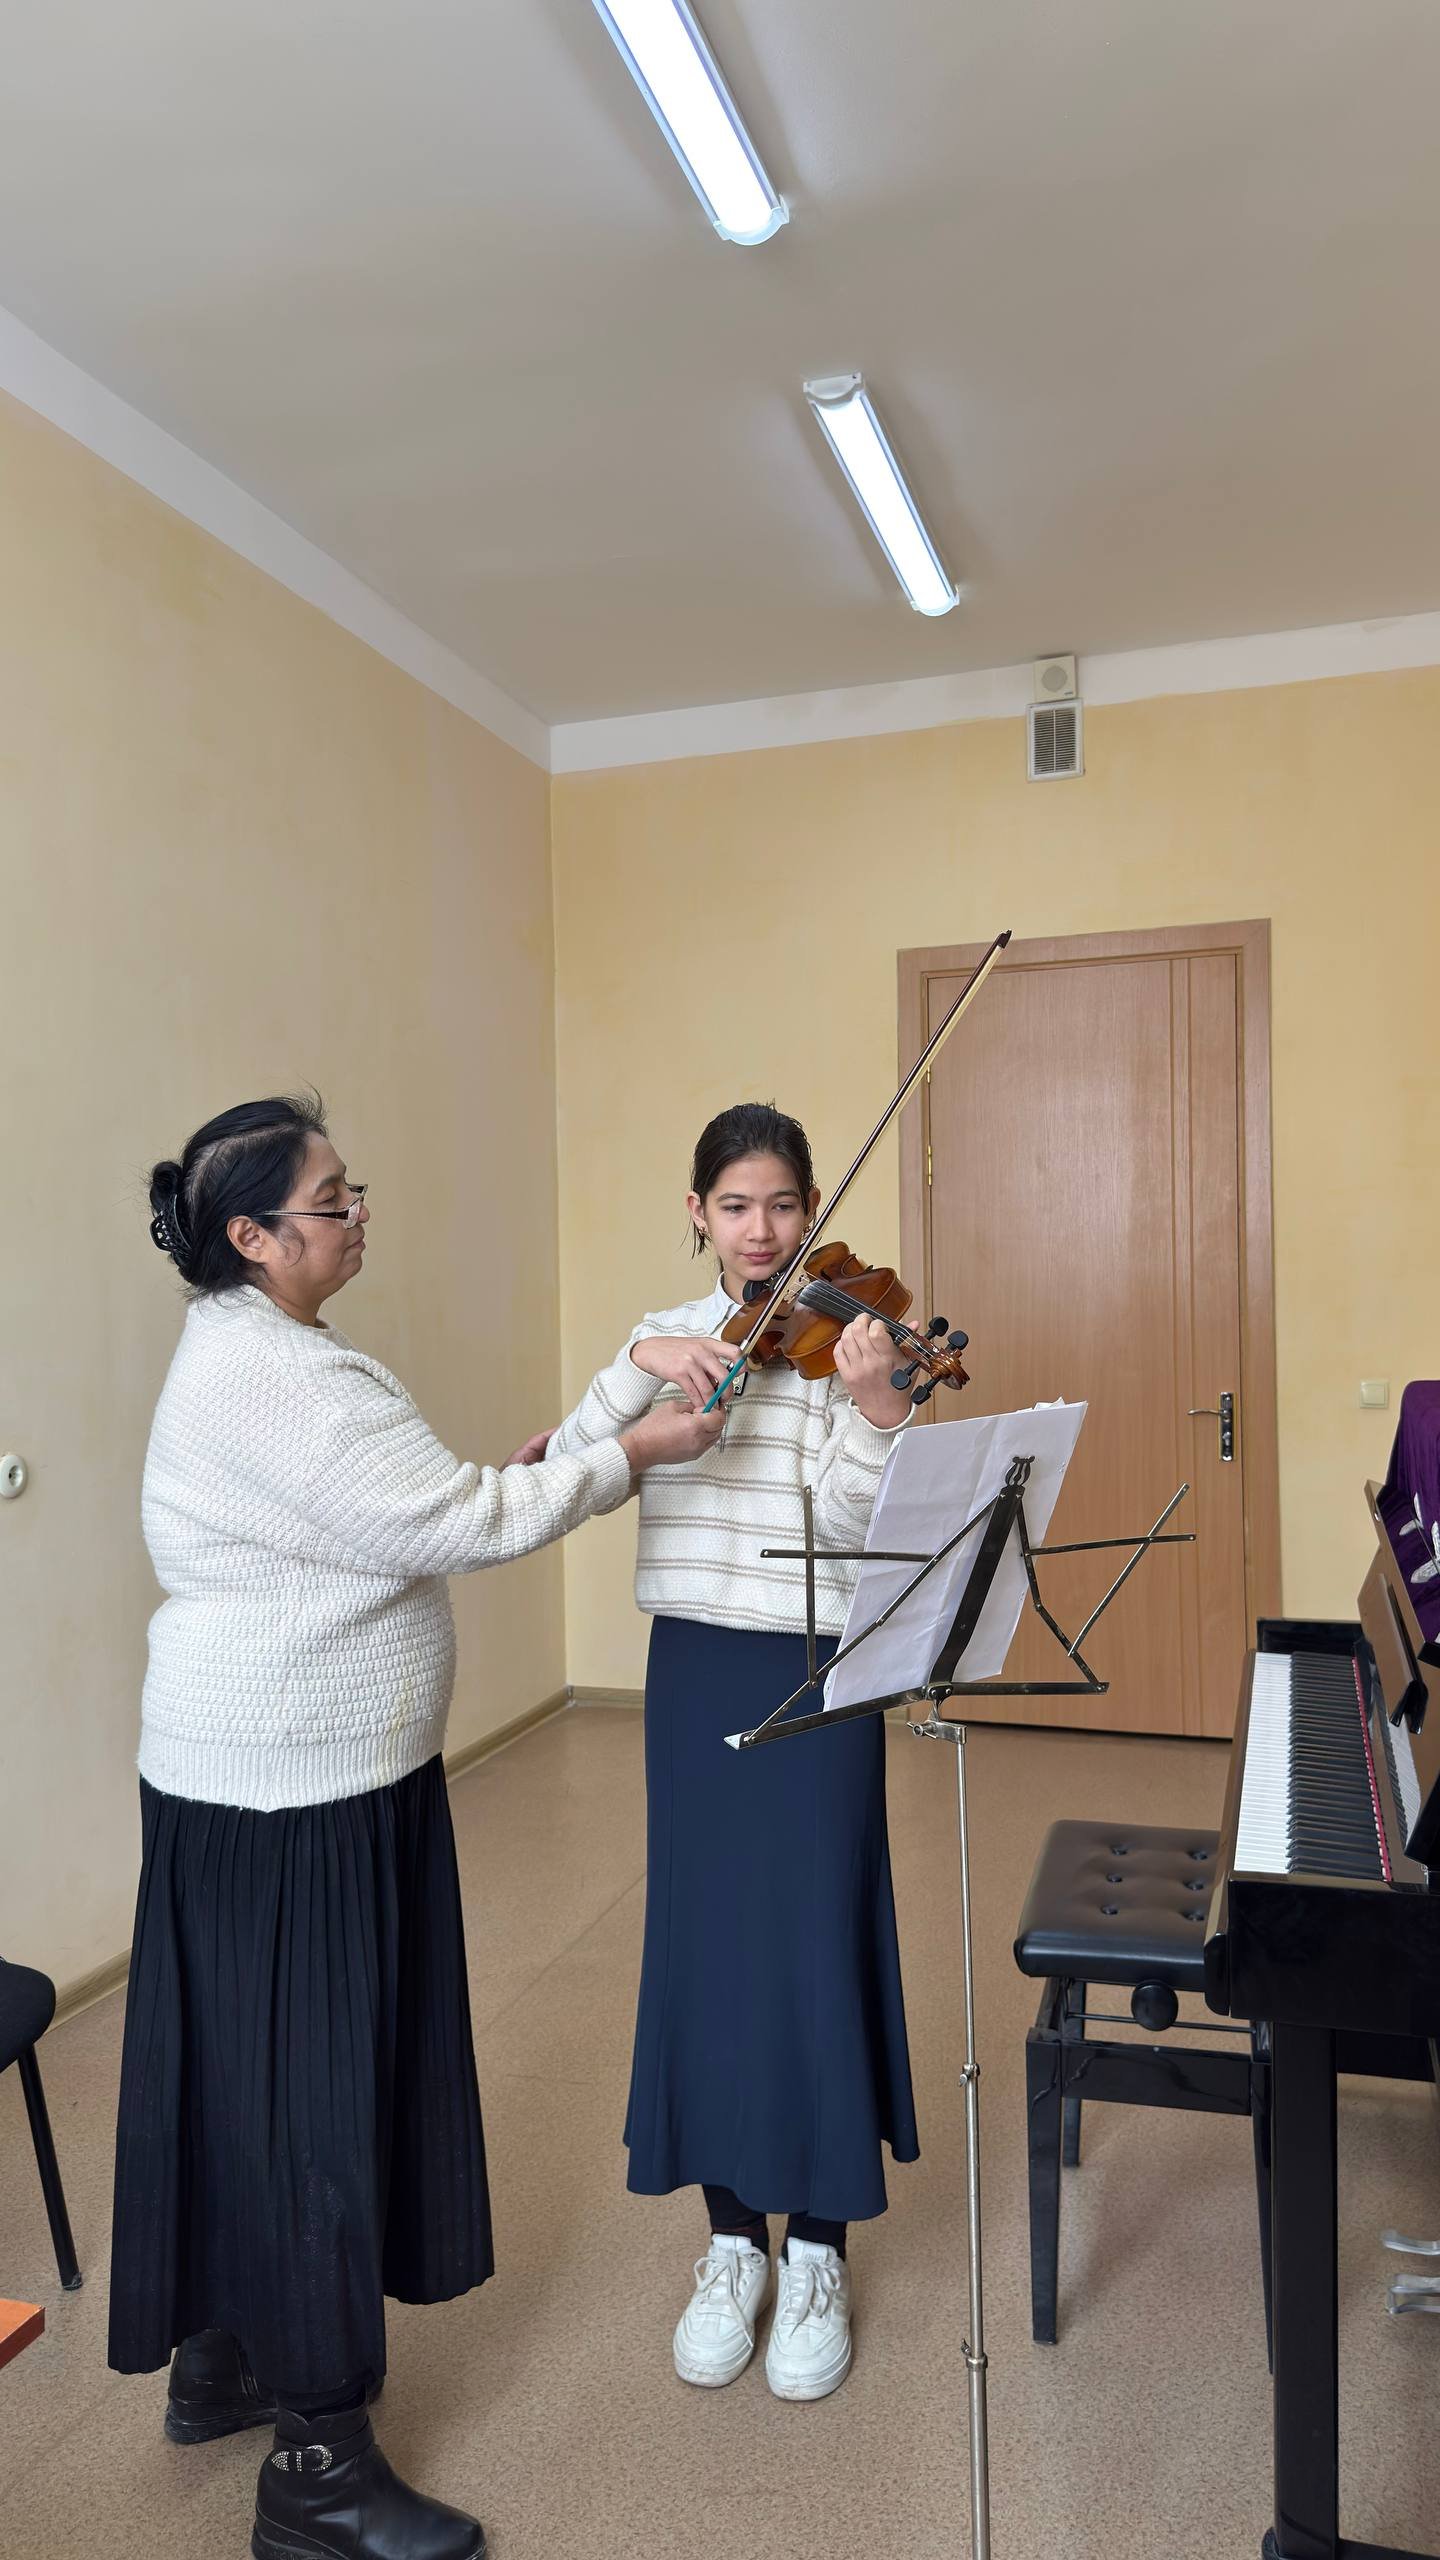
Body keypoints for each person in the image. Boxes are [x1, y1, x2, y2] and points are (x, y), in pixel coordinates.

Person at [109, 1093, 721, 2560]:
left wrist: (602, 1412)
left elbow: (450, 1494)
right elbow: (462, 1520)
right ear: (253, 1236)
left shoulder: (264, 1348)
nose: (357, 1214)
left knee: (242, 2085)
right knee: (314, 2107)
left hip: (271, 1781)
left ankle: (226, 2355)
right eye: (332, 1201)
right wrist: (634, 1455)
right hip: (291, 1796)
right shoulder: (280, 1381)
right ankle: (318, 2468)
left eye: (352, 1189)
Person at [542, 1101, 919, 2404]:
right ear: (698, 1213)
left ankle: (817, 2249)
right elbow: (571, 1469)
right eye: (737, 1205)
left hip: (813, 1668)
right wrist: (641, 1361)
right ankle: (730, 2243)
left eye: (784, 1205)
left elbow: (857, 1529)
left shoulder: (843, 1341)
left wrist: (874, 1411)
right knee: (704, 1948)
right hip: (695, 1665)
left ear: (812, 1211)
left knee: (814, 1940)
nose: (762, 1231)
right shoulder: (667, 1338)